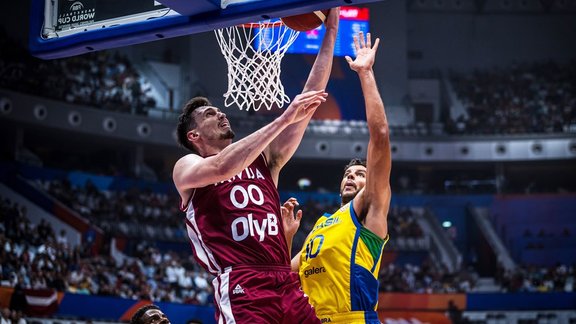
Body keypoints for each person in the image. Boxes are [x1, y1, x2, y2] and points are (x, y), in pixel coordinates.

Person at [172, 8, 340, 324]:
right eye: (209, 114)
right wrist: (284, 117)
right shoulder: (188, 166)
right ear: (194, 135)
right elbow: (222, 167)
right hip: (242, 285)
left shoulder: (265, 160)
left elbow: (309, 100)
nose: (221, 114)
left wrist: (330, 31)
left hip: (284, 281)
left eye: (219, 110)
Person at [288, 31, 391, 324]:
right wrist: (287, 238)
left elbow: (381, 137)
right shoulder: (321, 225)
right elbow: (283, 276)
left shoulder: (370, 210)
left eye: (360, 174)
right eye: (348, 173)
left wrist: (365, 73)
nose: (351, 177)